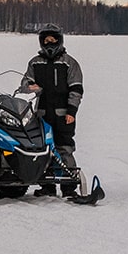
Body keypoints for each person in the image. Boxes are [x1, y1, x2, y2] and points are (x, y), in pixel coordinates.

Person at [21, 25, 84, 195]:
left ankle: (69, 186)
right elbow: (25, 83)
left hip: (63, 114)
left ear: (59, 40)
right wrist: (29, 87)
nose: (49, 43)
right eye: (46, 40)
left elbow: (76, 89)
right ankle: (46, 186)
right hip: (41, 113)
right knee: (42, 149)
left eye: (53, 39)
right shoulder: (35, 62)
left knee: (64, 148)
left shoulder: (69, 62)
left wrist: (72, 111)